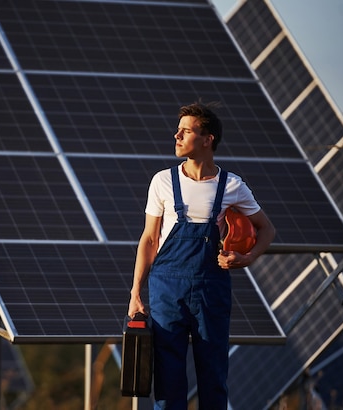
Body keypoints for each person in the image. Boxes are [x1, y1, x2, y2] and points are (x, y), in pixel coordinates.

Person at [127, 102, 275, 409]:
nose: (177, 136)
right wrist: (135, 292)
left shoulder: (231, 185)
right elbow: (149, 239)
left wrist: (247, 258)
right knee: (168, 379)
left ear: (207, 139)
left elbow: (267, 230)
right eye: (178, 130)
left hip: (211, 288)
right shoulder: (162, 181)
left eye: (186, 131)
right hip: (166, 288)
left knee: (213, 374)